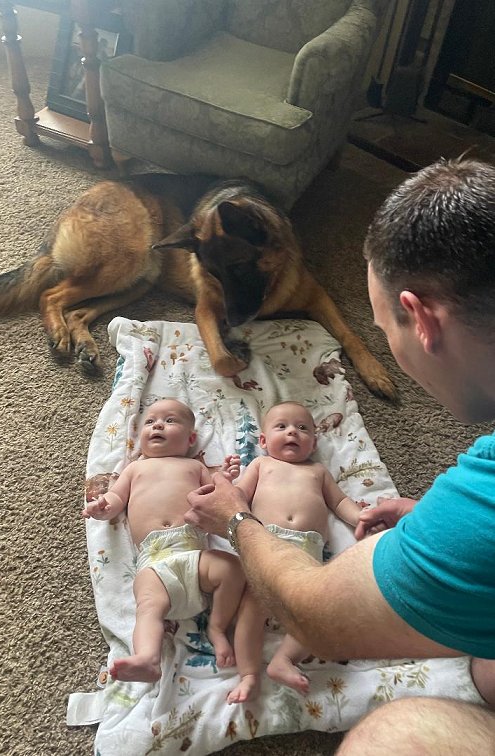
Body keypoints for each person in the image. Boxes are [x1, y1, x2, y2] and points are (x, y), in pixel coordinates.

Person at [185, 158, 495, 750]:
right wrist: (431, 520)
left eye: (383, 330)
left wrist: (235, 518)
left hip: (288, 566)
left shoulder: (483, 505)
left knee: (394, 734)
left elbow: (318, 619)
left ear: (421, 320)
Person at [82, 398, 245, 683]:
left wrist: (226, 478)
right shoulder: (135, 469)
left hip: (193, 551)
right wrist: (103, 507)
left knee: (233, 569)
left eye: (170, 421)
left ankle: (217, 627)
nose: (157, 425)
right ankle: (148, 658)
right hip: (154, 559)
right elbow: (117, 497)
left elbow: (214, 496)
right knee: (147, 606)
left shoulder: (194, 466)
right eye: (150, 422)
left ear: (191, 439)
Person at [225, 401, 364, 703]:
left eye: (302, 428)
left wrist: (360, 517)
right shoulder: (261, 465)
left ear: (313, 443)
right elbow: (238, 497)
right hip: (266, 544)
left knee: (315, 612)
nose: (292, 432)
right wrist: (225, 481)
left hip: (306, 552)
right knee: (251, 610)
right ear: (263, 441)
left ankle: (283, 659)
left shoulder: (318, 471)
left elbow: (340, 502)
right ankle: (248, 674)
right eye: (282, 426)